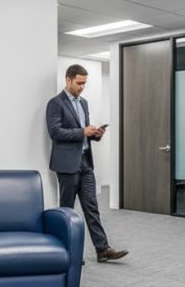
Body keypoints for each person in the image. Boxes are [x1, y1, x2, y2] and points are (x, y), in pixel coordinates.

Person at [46, 64, 128, 263]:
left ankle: (102, 249)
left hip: (85, 163)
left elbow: (84, 132)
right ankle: (66, 251)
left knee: (92, 207)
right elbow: (55, 132)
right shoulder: (56, 103)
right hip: (66, 164)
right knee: (67, 210)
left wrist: (95, 134)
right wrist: (83, 132)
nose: (82, 87)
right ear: (68, 80)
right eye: (79, 83)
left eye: (84, 83)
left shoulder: (84, 103)